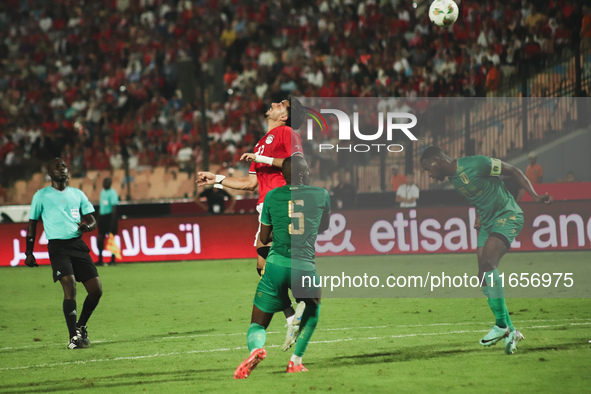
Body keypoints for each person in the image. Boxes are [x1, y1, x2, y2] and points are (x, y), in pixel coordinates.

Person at [420, 147, 552, 355]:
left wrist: (533, 196)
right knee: (483, 276)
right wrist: (480, 214)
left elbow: (513, 170)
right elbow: (481, 195)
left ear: (437, 160)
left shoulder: (476, 163)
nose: (429, 174)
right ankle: (512, 332)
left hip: (508, 215)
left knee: (489, 263)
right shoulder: (454, 179)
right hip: (488, 222)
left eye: (428, 169)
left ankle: (501, 325)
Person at [197, 97, 306, 348]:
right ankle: (294, 315)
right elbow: (249, 184)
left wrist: (265, 160)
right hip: (266, 207)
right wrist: (216, 180)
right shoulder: (261, 142)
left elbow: (297, 165)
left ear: (285, 116)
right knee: (264, 266)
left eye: (282, 104)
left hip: (281, 204)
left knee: (269, 266)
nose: (276, 103)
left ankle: (298, 311)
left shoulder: (287, 133)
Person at [233, 156, 330, 379]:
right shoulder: (321, 194)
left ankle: (256, 350)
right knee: (313, 310)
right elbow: (322, 226)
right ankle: (295, 361)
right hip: (303, 267)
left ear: (283, 176)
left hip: (276, 265)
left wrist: (282, 228)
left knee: (257, 324)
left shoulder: (272, 196)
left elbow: (264, 236)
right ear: (305, 174)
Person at [24, 158, 103, 349]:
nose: (61, 169)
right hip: (58, 247)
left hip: (77, 244)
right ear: (49, 173)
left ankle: (81, 326)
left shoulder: (77, 194)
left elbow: (92, 219)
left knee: (96, 291)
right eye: (56, 167)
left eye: (64, 166)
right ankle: (73, 338)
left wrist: (88, 226)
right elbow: (32, 223)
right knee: (70, 286)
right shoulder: (41, 196)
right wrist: (29, 251)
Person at [96, 177, 119, 266]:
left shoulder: (113, 193)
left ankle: (113, 259)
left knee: (111, 239)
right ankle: (100, 259)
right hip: (102, 217)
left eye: (107, 182)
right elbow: (101, 206)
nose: (105, 184)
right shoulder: (102, 192)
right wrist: (98, 218)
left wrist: (113, 221)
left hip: (110, 217)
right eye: (105, 182)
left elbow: (114, 207)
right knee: (100, 238)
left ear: (110, 184)